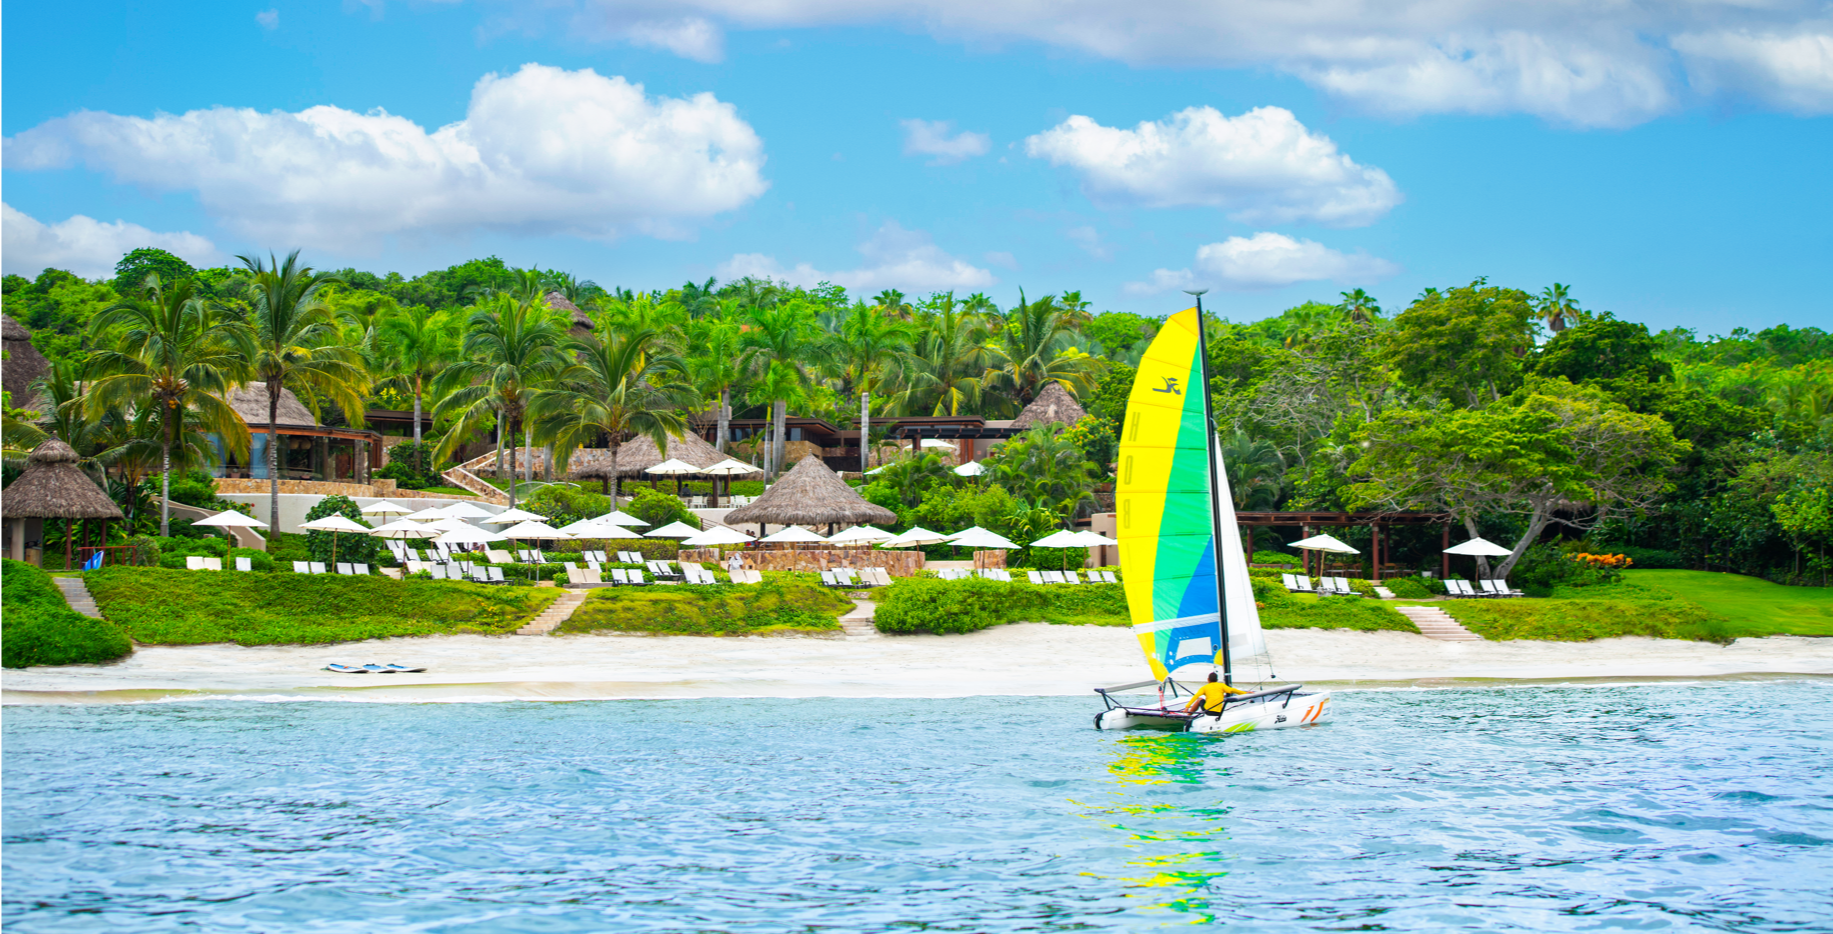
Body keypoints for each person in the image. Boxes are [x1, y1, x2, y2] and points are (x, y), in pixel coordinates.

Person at [1184, 671, 1249, 717]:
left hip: (1207, 711)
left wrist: (1187, 707)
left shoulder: (1204, 687)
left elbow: (1196, 696)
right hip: (1218, 713)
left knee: (1200, 699)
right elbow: (1232, 690)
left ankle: (1188, 716)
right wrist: (1245, 693)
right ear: (1217, 680)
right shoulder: (1222, 686)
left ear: (1208, 679)